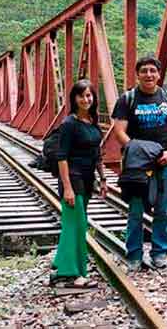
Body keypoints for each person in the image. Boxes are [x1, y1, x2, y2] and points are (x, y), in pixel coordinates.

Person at [112, 55, 167, 270]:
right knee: (135, 209)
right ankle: (134, 254)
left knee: (163, 210)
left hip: (164, 162)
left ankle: (159, 252)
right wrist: (137, 152)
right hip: (138, 167)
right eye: (144, 71)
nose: (149, 75)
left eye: (153, 70)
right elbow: (119, 131)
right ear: (138, 74)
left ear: (159, 74)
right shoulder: (128, 99)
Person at [51, 79, 108, 288]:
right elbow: (62, 157)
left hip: (87, 179)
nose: (87, 99)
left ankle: (61, 264)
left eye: (90, 95)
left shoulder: (92, 123)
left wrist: (102, 179)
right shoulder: (69, 124)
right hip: (73, 179)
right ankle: (75, 274)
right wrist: (66, 187)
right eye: (82, 95)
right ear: (74, 99)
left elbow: (97, 155)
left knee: (75, 225)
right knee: (77, 225)